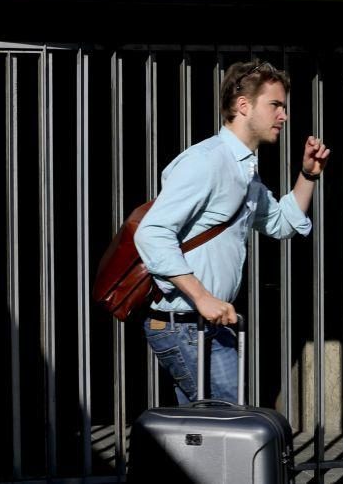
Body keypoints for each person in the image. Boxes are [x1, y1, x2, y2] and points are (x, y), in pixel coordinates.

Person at [133, 60, 330, 403]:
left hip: (211, 323)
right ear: (243, 106)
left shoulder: (244, 171)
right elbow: (152, 232)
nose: (283, 116)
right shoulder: (207, 161)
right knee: (221, 423)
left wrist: (308, 175)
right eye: (275, 105)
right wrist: (202, 297)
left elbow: (280, 223)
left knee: (212, 428)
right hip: (182, 323)